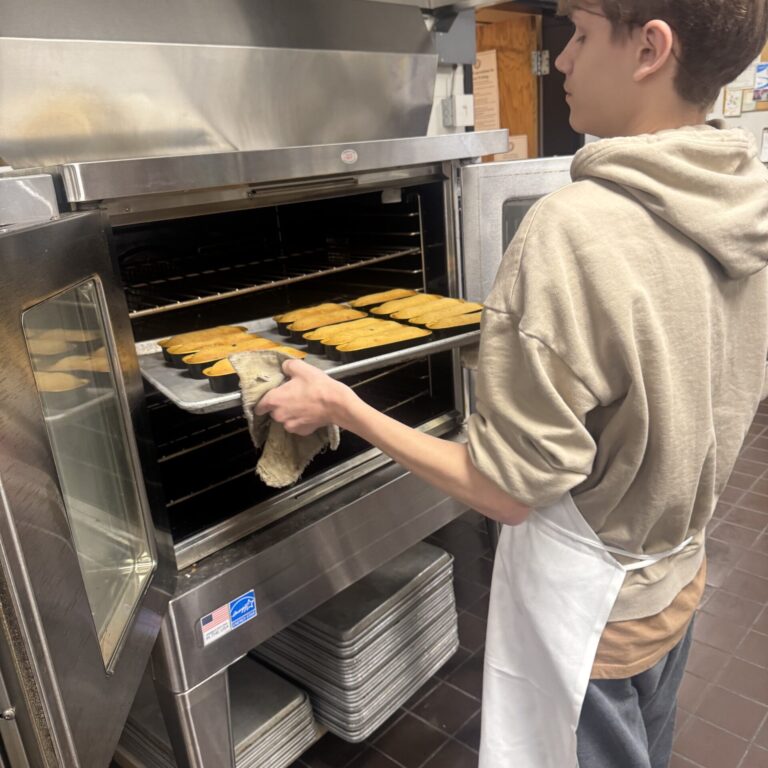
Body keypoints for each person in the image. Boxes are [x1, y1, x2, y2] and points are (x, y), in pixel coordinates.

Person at [256, 1, 768, 765]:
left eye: (581, 35)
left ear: (649, 49)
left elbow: (504, 494)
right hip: (674, 578)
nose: (559, 60)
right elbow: (659, 360)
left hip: (591, 618)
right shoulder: (744, 204)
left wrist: (342, 406)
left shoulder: (576, 227)